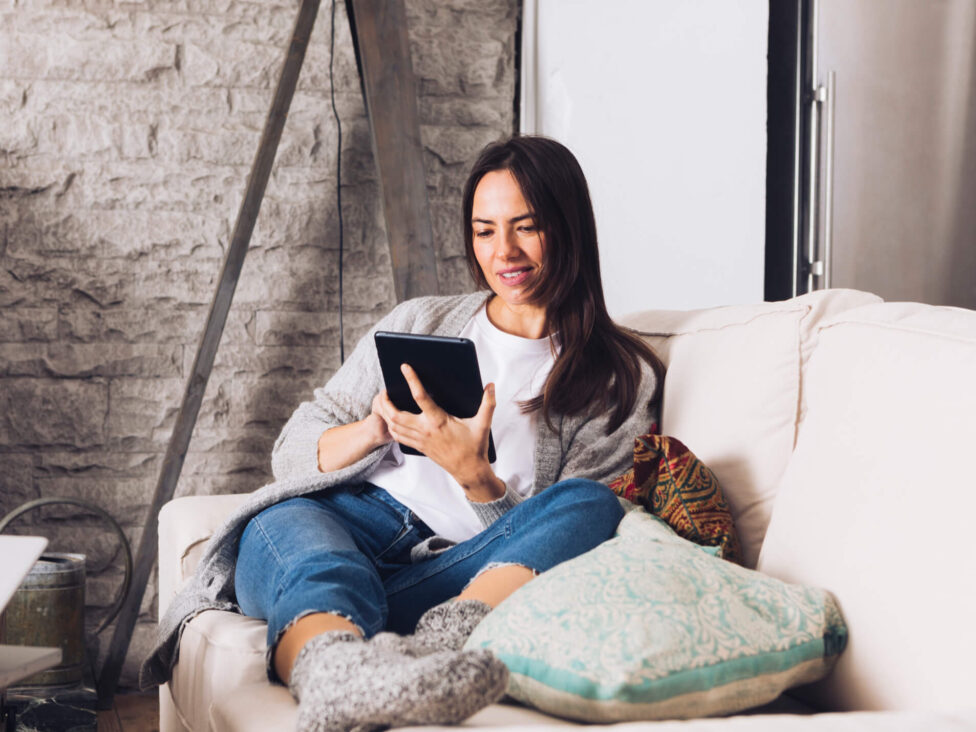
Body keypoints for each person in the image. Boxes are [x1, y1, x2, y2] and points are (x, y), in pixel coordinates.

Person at [140, 135, 665, 731]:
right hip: (350, 523)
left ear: (569, 227)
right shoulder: (421, 319)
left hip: (458, 574)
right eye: (485, 230)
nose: (505, 251)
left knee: (594, 505)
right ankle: (338, 676)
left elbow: (574, 540)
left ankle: (435, 653)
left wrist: (475, 477)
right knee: (283, 520)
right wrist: (373, 428)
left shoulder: (622, 375)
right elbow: (292, 449)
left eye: (528, 226)